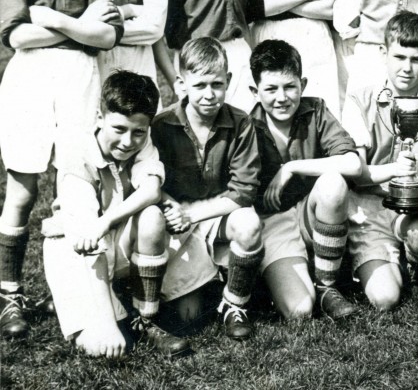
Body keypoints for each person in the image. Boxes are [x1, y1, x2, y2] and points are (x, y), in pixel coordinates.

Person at [0, 0, 122, 339]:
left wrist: (48, 16)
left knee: (76, 186)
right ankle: (9, 294)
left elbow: (107, 37)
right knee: (24, 190)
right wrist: (79, 26)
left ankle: (79, 289)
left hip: (80, 79)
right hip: (30, 81)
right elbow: (17, 39)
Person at [43, 71, 189, 358]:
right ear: (99, 118)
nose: (128, 141)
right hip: (75, 251)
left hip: (112, 236)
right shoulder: (76, 154)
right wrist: (107, 325)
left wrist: (105, 221)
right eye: (119, 129)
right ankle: (105, 309)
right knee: (101, 344)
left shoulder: (140, 139)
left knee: (152, 217)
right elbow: (89, 245)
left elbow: (150, 191)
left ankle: (146, 317)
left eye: (139, 132)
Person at [151, 37, 263, 340]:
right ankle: (208, 280)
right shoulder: (161, 125)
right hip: (177, 220)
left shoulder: (240, 122)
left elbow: (243, 191)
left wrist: (195, 214)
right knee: (188, 316)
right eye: (199, 85)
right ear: (181, 84)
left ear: (228, 80)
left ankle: (234, 303)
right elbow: (147, 177)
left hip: (218, 211)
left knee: (249, 223)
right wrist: (169, 202)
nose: (209, 95)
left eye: (217, 84)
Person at [341, 12, 418, 311]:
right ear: (383, 53)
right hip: (370, 208)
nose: (407, 68)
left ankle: (416, 262)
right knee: (385, 298)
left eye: (416, 59)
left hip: (415, 207)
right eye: (399, 57)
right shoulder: (360, 100)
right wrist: (393, 173)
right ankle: (388, 260)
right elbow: (358, 176)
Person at [248, 39, 361, 321]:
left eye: (290, 86)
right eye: (271, 89)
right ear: (255, 91)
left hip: (311, 214)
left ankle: (327, 285)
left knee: (333, 183)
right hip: (273, 222)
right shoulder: (246, 127)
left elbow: (353, 163)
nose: (282, 97)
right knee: (298, 311)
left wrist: (292, 167)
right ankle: (280, 274)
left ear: (303, 84)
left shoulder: (316, 110)